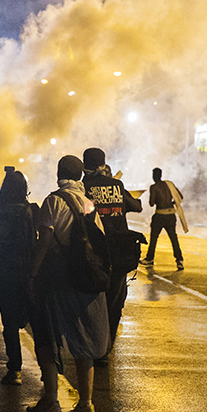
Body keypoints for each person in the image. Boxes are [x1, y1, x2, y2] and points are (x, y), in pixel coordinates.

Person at [26, 156, 110, 412]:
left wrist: (32, 275)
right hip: (85, 279)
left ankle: (51, 401)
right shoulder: (89, 203)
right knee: (85, 340)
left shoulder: (53, 201)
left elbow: (44, 241)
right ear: (81, 175)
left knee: (48, 337)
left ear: (58, 173)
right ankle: (86, 405)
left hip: (59, 280)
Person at [0, 169, 38, 386]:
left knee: (9, 322)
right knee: (37, 321)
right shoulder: (30, 210)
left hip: (4, 272)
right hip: (27, 271)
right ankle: (49, 370)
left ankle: (15, 369)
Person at [82, 147, 143, 366]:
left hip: (93, 254)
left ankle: (93, 346)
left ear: (85, 165)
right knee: (115, 301)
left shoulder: (84, 187)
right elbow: (137, 206)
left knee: (91, 301)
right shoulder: (117, 186)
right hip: (118, 252)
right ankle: (106, 349)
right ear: (103, 163)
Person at [139, 168, 187, 270]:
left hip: (160, 215)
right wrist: (171, 203)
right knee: (173, 238)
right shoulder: (169, 185)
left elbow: (151, 203)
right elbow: (180, 197)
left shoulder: (154, 187)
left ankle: (149, 258)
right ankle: (179, 260)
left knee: (154, 238)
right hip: (171, 215)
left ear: (154, 176)